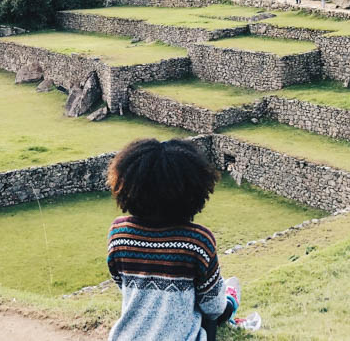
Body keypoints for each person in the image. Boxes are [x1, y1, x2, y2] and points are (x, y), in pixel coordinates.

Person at [106, 139, 258, 340]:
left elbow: (121, 282)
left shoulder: (119, 233)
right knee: (223, 298)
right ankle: (233, 302)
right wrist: (228, 302)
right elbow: (212, 307)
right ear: (193, 191)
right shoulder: (196, 241)